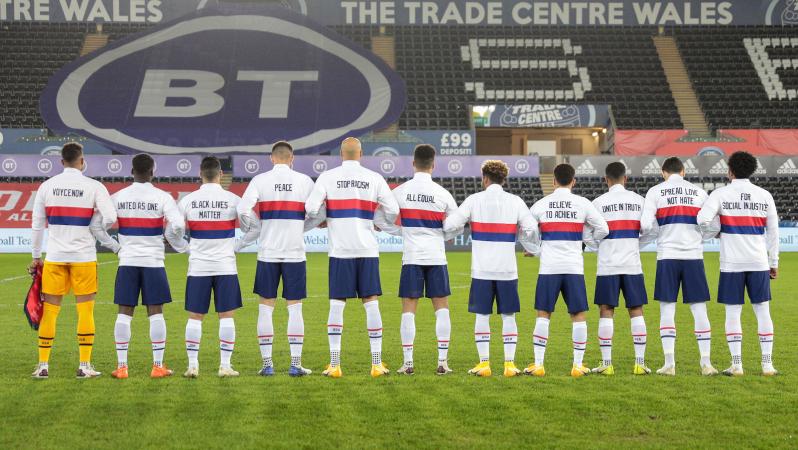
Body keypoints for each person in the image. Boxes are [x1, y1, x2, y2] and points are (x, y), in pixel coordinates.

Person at [305, 137, 400, 378]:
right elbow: (393, 211)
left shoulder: (328, 177)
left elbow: (311, 209)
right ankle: (376, 364)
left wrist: (324, 218)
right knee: (371, 303)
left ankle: (335, 364)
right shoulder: (374, 177)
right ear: (361, 153)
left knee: (337, 305)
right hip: (367, 250)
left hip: (340, 251)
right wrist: (377, 220)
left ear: (340, 153)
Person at [90, 154, 187, 379]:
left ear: (132, 171)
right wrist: (172, 239)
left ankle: (122, 367)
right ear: (152, 172)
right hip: (153, 262)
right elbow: (179, 224)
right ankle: (157, 366)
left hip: (128, 262)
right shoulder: (162, 197)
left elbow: (97, 226)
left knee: (124, 313)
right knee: (156, 313)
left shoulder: (118, 197)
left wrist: (114, 246)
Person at [29, 142, 117, 379]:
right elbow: (110, 216)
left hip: (55, 256)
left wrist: (36, 257)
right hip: (83, 257)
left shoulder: (47, 186)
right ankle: (84, 365)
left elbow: (37, 225)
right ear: (82, 160)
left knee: (50, 312)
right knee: (85, 311)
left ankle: (43, 366)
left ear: (61, 161)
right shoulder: (94, 186)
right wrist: (95, 225)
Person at [443, 160, 538, 378]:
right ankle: (509, 365)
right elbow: (531, 227)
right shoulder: (515, 201)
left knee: (482, 316)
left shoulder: (474, 200)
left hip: (482, 270)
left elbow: (450, 225)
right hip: (507, 269)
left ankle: (484, 364)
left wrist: (453, 229)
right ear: (503, 179)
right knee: (508, 316)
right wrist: (525, 241)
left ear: (485, 178)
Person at [237, 141, 323, 377]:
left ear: (272, 158)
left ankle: (267, 365)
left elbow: (243, 210)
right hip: (294, 252)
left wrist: (257, 228)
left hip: (268, 252)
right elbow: (319, 212)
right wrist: (302, 227)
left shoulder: (260, 180)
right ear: (292, 158)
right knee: (295, 308)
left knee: (266, 308)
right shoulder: (305, 181)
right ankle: (295, 364)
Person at [375, 144, 459, 375]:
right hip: (436, 257)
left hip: (411, 257)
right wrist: (443, 235)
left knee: (408, 309)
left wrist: (401, 232)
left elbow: (380, 217)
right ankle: (442, 363)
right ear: (433, 165)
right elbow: (456, 225)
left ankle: (408, 363)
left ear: (413, 163)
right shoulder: (443, 193)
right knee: (441, 308)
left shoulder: (401, 191)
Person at [697, 151, 779, 376]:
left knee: (733, 314)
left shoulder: (720, 194)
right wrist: (774, 261)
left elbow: (702, 219)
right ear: (752, 170)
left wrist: (717, 229)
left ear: (730, 170)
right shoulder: (764, 195)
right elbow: (773, 232)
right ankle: (767, 365)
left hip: (732, 263)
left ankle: (737, 365)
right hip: (758, 262)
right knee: (763, 312)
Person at [179, 156, 259, 378]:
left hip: (198, 267)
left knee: (195, 317)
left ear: (200, 174)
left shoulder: (188, 200)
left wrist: (185, 248)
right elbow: (255, 227)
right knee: (226, 316)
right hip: (225, 265)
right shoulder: (234, 199)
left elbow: (172, 230)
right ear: (221, 175)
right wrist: (238, 245)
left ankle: (193, 365)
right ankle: (225, 366)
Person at [526, 163, 609, 378]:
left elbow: (526, 231)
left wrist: (537, 250)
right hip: (573, 267)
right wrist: (588, 241)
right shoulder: (582, 203)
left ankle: (539, 364)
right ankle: (577, 366)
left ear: (553, 181)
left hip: (549, 267)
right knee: (578, 314)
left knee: (543, 314)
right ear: (573, 181)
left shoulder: (541, 204)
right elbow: (603, 228)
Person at [641, 157, 719, 376]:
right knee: (699, 309)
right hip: (693, 255)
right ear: (683, 171)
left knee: (667, 308)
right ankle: (706, 363)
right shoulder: (699, 193)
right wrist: (699, 238)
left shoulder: (656, 191)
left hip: (667, 255)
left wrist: (658, 231)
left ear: (663, 172)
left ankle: (669, 364)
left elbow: (646, 225)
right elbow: (714, 226)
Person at [585, 162, 654, 376]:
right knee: (636, 310)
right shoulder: (639, 201)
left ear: (606, 180)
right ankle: (640, 363)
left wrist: (601, 248)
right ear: (625, 178)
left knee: (606, 310)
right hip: (632, 264)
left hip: (608, 265)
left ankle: (607, 364)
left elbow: (586, 235)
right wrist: (636, 245)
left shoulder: (597, 202)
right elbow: (652, 230)